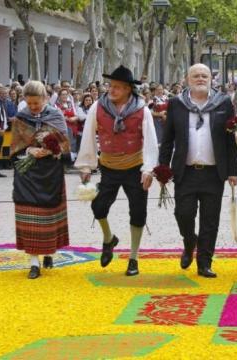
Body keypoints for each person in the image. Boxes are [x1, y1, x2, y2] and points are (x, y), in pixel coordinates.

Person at [75, 65, 158, 277]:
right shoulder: (97, 107)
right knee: (98, 206)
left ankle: (133, 257)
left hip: (135, 167)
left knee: (138, 211)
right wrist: (86, 165)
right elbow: (87, 136)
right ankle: (108, 238)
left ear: (129, 89)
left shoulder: (142, 110)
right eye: (111, 86)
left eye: (118, 87)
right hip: (109, 166)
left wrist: (148, 169)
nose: (112, 90)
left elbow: (150, 141)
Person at [159, 63, 237, 279]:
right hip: (186, 171)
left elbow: (230, 139)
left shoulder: (223, 103)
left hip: (214, 172)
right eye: (196, 76)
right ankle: (188, 241)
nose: (201, 79)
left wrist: (233, 170)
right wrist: (162, 168)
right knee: (183, 213)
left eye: (204, 75)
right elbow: (167, 140)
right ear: (187, 80)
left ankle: (205, 262)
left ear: (211, 79)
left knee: (210, 220)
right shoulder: (176, 104)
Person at [10, 81, 70, 279]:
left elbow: (65, 145)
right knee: (30, 215)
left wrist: (51, 150)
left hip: (50, 172)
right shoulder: (20, 118)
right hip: (27, 173)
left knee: (48, 215)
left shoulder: (56, 115)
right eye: (29, 103)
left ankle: (48, 252)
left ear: (45, 98)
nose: (33, 107)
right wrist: (29, 150)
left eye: (36, 103)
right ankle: (34, 263)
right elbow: (15, 147)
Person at [55, 89, 79, 162]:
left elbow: (76, 115)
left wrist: (72, 118)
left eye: (66, 94)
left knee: (73, 144)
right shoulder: (56, 105)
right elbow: (57, 116)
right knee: (64, 145)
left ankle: (72, 161)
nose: (65, 96)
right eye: (63, 94)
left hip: (72, 127)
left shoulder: (70, 104)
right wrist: (65, 118)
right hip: (62, 129)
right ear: (59, 96)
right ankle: (64, 161)